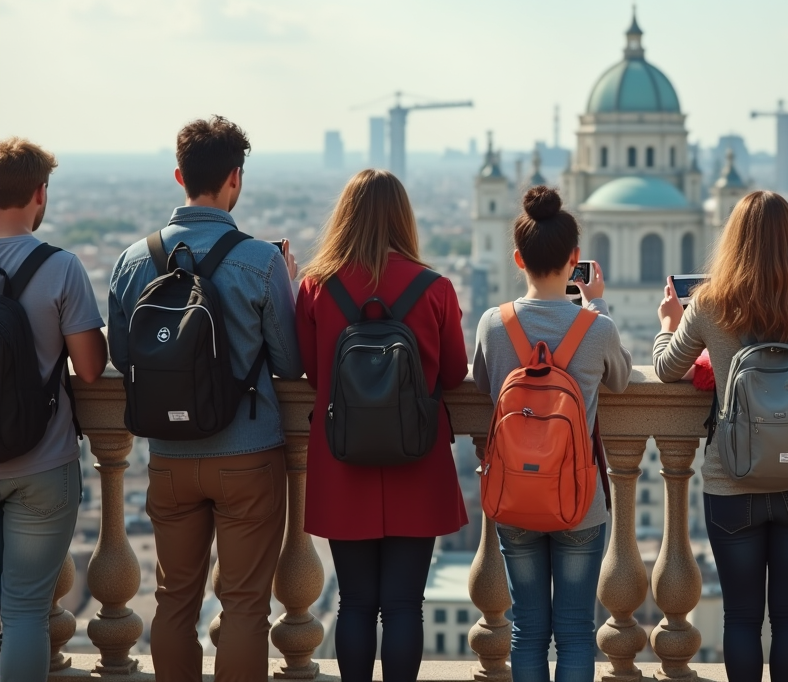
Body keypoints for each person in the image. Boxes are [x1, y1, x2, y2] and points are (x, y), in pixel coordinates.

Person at [107, 116, 303, 682]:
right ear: (235, 180)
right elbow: (290, 364)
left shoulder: (130, 262)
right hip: (248, 452)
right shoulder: (260, 262)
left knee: (174, 602)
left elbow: (125, 358)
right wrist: (285, 283)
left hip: (169, 457)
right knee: (244, 605)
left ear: (179, 176)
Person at [653, 189, 788, 682]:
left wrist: (668, 325)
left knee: (740, 616)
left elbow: (667, 369)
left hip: (731, 480)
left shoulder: (711, 304)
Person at [296, 169, 468, 682]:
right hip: (417, 456)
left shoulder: (315, 287)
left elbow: (312, 369)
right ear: (404, 218)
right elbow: (456, 374)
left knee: (353, 603)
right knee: (403, 607)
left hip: (343, 456)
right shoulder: (435, 287)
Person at [473, 186, 632, 682]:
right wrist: (597, 306)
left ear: (518, 258)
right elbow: (622, 379)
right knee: (576, 632)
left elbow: (483, 385)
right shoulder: (596, 327)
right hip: (579, 498)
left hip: (514, 493)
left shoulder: (492, 324)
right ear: (574, 260)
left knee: (527, 630)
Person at [0, 138, 107, 682]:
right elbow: (91, 370)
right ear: (39, 194)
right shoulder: (60, 268)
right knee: (23, 613)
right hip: (42, 461)